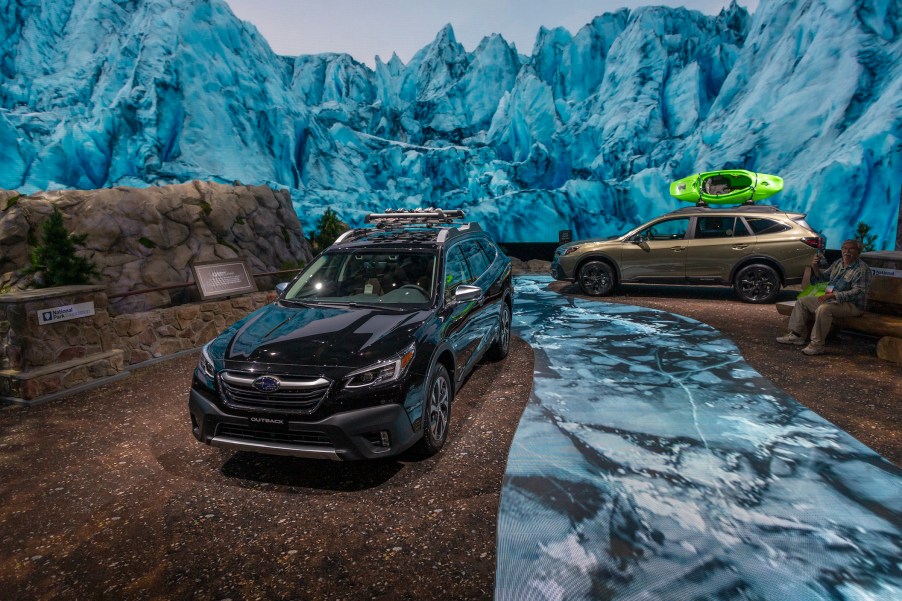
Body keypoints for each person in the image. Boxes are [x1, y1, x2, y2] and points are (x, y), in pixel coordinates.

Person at [776, 239, 872, 355]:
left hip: (853, 305)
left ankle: (817, 345)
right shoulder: (838, 263)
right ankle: (796, 335)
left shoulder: (862, 269)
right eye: (844, 248)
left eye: (851, 249)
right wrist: (815, 267)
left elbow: (859, 292)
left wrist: (833, 295)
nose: (847, 251)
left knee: (824, 309)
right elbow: (823, 279)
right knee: (803, 301)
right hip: (832, 300)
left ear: (858, 252)